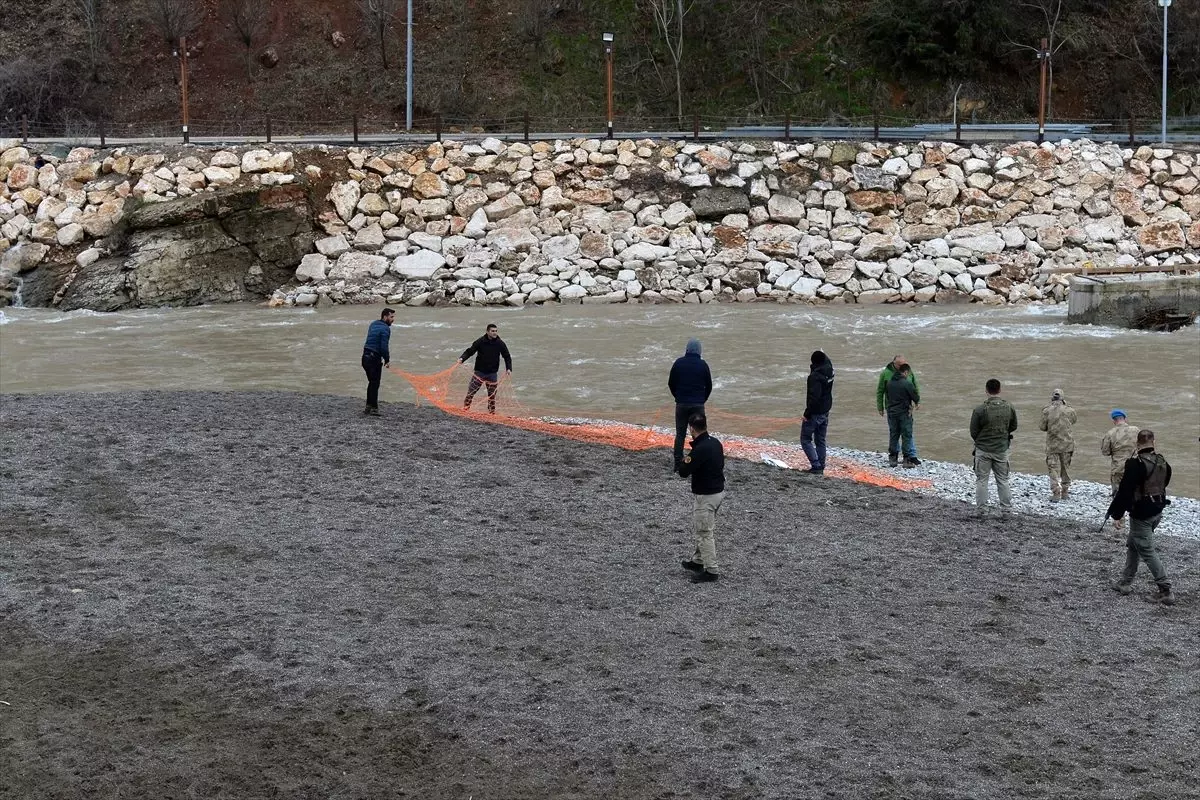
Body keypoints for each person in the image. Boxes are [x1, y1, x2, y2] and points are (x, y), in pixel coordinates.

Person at [1108, 430, 1175, 606]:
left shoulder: (1134, 464)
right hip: (1157, 511)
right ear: (1154, 442)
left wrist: (1117, 514)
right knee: (1133, 544)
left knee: (1146, 550)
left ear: (1137, 444)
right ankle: (1125, 582)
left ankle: (1165, 589)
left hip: (1141, 514)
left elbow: (1125, 491)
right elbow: (1164, 483)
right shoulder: (1163, 462)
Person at [678, 413, 725, 584]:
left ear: (691, 428)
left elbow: (683, 471)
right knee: (703, 528)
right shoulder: (715, 443)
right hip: (718, 492)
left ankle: (711, 570)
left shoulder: (700, 449)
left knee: (704, 533)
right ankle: (698, 561)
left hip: (706, 496)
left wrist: (684, 461)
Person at [970, 378, 1018, 519]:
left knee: (982, 480)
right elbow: (1013, 426)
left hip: (983, 449)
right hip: (1001, 449)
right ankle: (1007, 511)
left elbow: (973, 431)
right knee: (1003, 480)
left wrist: (981, 440)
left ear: (986, 391)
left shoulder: (979, 410)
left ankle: (982, 511)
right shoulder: (1009, 407)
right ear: (1000, 390)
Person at [668, 338, 712, 473]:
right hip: (698, 404)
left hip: (681, 404)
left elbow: (671, 383)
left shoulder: (678, 363)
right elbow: (709, 386)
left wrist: (678, 397)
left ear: (687, 350)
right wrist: (702, 400)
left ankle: (677, 463)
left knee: (680, 434)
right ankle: (699, 461)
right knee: (699, 434)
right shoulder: (703, 365)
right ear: (699, 351)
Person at [458, 323, 512, 414]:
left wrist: (509, 368)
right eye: (492, 331)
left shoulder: (500, 343)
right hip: (479, 372)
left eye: (496, 331)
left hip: (492, 374)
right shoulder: (480, 341)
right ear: (487, 332)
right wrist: (462, 358)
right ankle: (465, 409)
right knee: (471, 392)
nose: (495, 333)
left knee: (492, 395)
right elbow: (470, 351)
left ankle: (491, 413)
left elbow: (507, 356)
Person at [1101, 409, 1139, 528]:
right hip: (1135, 466)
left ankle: (1119, 520)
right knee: (1136, 492)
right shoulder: (1136, 430)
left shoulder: (1110, 433)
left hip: (1118, 467)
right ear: (1125, 418)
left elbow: (1105, 452)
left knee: (1118, 494)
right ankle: (1136, 519)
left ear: (1114, 420)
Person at [1038, 388, 1077, 502]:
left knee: (1053, 468)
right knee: (1066, 468)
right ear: (1063, 398)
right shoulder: (1070, 410)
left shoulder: (1047, 411)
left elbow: (1042, 427)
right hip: (1067, 444)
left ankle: (1056, 492)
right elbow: (1073, 421)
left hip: (1052, 445)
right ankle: (1065, 491)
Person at [800, 350, 834, 475]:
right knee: (820, 440)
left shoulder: (814, 377)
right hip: (826, 410)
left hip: (815, 413)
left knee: (805, 439)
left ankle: (816, 465)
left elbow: (814, 398)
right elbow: (828, 361)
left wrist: (806, 414)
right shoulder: (829, 370)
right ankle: (821, 464)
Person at [885, 363, 921, 468]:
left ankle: (893, 459)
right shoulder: (907, 383)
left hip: (892, 412)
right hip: (904, 413)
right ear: (905, 372)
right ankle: (907, 460)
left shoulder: (890, 383)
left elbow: (887, 396)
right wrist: (917, 403)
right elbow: (915, 396)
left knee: (894, 434)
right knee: (906, 435)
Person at [361, 307, 394, 415]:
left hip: (365, 357)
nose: (392, 319)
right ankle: (374, 408)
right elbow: (383, 346)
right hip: (373, 358)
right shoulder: (385, 329)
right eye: (391, 317)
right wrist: (387, 360)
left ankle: (368, 407)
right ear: (385, 317)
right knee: (375, 383)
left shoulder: (373, 324)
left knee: (372, 382)